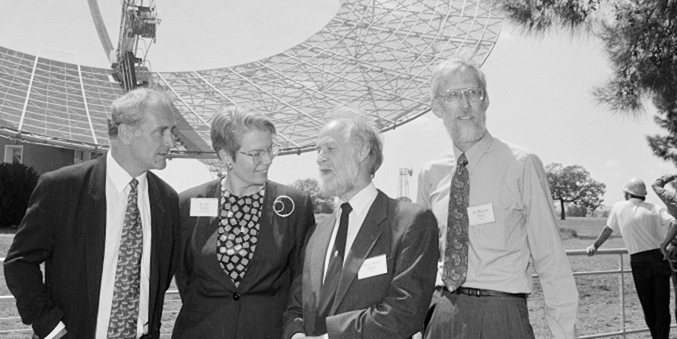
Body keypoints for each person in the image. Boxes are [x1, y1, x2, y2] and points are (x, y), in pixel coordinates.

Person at [417, 55, 578, 339]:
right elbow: (422, 260)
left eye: (473, 93)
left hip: (501, 316)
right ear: (437, 106)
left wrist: (564, 332)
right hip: (442, 315)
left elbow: (550, 256)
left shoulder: (521, 164)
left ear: (486, 100)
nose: (465, 104)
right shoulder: (430, 174)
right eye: (453, 95)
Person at [4, 88, 181, 339]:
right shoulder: (62, 188)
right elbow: (20, 263)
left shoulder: (167, 201)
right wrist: (52, 330)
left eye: (172, 132)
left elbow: (158, 281)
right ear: (126, 132)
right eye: (161, 131)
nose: (171, 142)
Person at [282, 107, 439, 339]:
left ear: (363, 151)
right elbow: (297, 304)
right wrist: (295, 334)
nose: (319, 158)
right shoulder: (316, 233)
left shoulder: (410, 222)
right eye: (318, 150)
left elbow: (406, 310)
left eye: (330, 149)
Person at [173, 105, 316, 339]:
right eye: (256, 154)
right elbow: (185, 277)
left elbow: (302, 280)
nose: (267, 160)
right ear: (226, 156)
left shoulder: (295, 206)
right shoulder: (188, 204)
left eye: (270, 150)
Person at [588, 178, 677, 339]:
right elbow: (674, 224)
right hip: (659, 258)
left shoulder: (618, 207)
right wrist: (664, 244)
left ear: (628, 194)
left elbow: (608, 229)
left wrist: (595, 245)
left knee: (648, 306)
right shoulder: (655, 208)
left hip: (639, 261)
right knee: (662, 306)